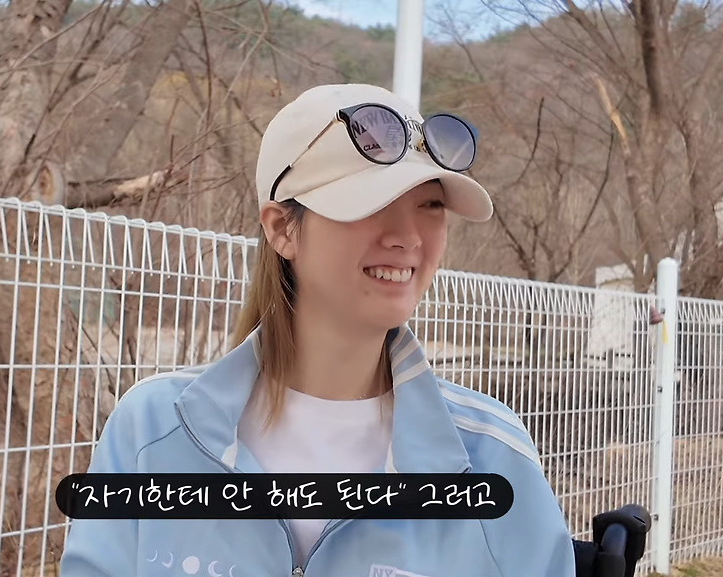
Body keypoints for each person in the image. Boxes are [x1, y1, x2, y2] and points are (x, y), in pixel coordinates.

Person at [59, 83, 576, 577]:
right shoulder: (153, 430)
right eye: (373, 204)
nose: (407, 237)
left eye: (430, 205)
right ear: (282, 228)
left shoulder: (490, 455)